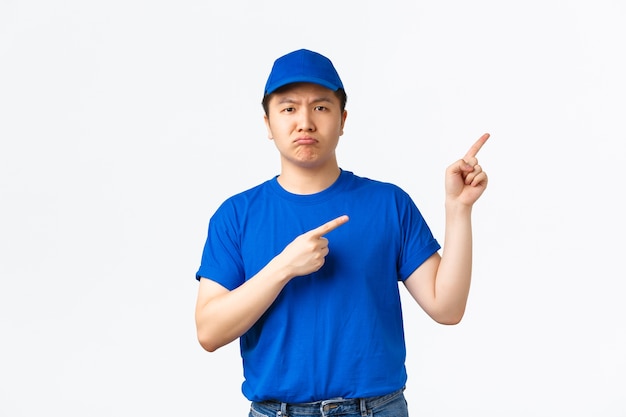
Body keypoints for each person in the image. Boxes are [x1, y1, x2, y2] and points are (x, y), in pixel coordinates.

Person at [194, 48, 489, 417]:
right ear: (268, 124)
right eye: (288, 109)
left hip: (376, 409)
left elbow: (447, 308)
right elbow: (209, 331)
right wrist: (283, 267)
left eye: (320, 107)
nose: (305, 122)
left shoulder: (388, 204)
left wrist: (458, 210)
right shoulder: (236, 216)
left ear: (342, 119)